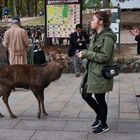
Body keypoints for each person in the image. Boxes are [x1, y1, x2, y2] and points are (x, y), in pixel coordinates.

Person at [77, 10, 117, 134]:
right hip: (91, 72)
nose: (91, 22)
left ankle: (104, 124)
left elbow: (104, 57)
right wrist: (84, 54)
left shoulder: (108, 38)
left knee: (100, 99)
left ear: (101, 22)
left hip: (100, 74)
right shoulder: (95, 35)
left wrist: (86, 54)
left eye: (94, 20)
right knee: (85, 94)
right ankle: (99, 116)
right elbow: (93, 54)